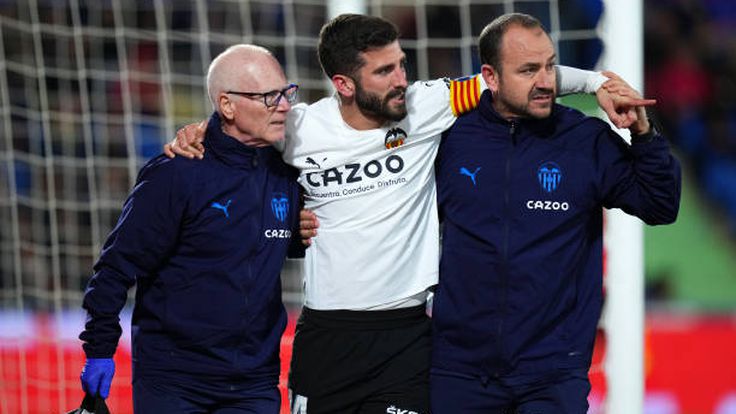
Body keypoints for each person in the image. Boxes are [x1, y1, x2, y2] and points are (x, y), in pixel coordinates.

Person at [167, 14, 652, 414]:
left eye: (401, 65)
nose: (401, 79)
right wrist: (203, 131)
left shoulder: (427, 105)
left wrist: (596, 83)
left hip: (406, 336)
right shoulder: (298, 129)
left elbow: (519, 80)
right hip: (326, 336)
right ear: (343, 84)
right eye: (384, 72)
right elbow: (240, 140)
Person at [430, 13, 681, 413]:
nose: (546, 81)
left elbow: (660, 205)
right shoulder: (450, 137)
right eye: (528, 70)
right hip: (459, 369)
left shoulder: (584, 139)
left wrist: (643, 134)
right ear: (490, 77)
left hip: (552, 373)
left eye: (550, 66)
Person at [78, 44, 301, 413]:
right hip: (175, 382)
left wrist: (302, 233)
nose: (284, 106)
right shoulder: (176, 173)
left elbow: (280, 241)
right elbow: (115, 268)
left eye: (286, 92)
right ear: (227, 105)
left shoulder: (287, 174)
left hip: (255, 383)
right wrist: (99, 349)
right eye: (269, 97)